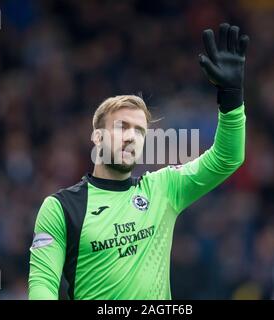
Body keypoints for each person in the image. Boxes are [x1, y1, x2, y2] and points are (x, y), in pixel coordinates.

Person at [28, 23, 249, 299]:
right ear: (97, 137)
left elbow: (227, 158)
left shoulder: (162, 188)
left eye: (140, 131)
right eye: (122, 127)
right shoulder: (61, 208)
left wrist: (231, 99)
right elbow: (42, 286)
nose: (131, 137)